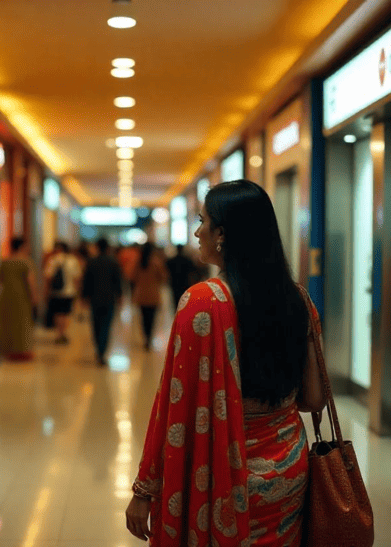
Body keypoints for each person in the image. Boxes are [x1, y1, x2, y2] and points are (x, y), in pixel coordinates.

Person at [125, 180, 327, 546]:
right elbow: (314, 398)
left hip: (222, 475)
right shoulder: (298, 299)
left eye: (203, 222)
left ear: (223, 234)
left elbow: (173, 408)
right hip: (290, 471)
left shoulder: (203, 303)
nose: (198, 231)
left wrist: (145, 490)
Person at [82, 238, 123, 365]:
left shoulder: (91, 261)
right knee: (106, 325)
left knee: (96, 325)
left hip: (95, 298)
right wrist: (120, 296)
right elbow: (118, 281)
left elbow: (86, 281)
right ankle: (102, 352)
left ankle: (98, 348)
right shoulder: (113, 262)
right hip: (109, 298)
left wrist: (84, 297)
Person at [0, 237, 36, 360]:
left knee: (8, 322)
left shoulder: (5, 261)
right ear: (22, 247)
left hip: (7, 296)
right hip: (22, 296)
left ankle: (8, 350)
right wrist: (34, 296)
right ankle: (22, 351)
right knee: (23, 322)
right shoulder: (26, 262)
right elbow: (30, 281)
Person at [44, 241, 82, 344]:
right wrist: (77, 292)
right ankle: (63, 333)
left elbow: (48, 277)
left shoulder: (52, 260)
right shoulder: (72, 260)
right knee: (66, 314)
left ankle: (59, 334)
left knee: (57, 313)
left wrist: (46, 291)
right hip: (69, 292)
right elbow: (77, 278)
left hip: (55, 292)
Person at [132, 242, 167, 351]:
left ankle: (146, 337)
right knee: (151, 319)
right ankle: (149, 338)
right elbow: (163, 277)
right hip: (153, 295)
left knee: (143, 318)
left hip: (141, 295)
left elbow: (133, 276)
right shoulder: (156, 262)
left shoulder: (139, 262)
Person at [166, 244, 198, 311]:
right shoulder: (187, 260)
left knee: (176, 303)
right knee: (184, 302)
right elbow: (193, 272)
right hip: (185, 284)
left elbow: (167, 272)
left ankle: (177, 315)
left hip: (174, 284)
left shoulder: (171, 260)